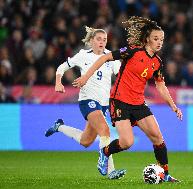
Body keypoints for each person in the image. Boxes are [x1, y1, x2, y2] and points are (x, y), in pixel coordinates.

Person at [72, 16, 183, 182]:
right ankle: (105, 152)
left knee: (158, 138)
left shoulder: (157, 62)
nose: (159, 42)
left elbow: (160, 86)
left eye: (161, 39)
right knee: (127, 142)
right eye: (155, 38)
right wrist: (86, 77)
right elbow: (103, 58)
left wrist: (173, 106)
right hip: (120, 101)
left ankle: (165, 175)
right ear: (147, 39)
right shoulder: (132, 51)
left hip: (139, 103)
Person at [44, 26, 126, 179]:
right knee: (105, 130)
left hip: (103, 104)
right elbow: (62, 67)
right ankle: (110, 170)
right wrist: (58, 82)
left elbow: (121, 74)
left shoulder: (110, 56)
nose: (102, 42)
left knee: (86, 141)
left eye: (105, 39)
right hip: (88, 101)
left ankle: (59, 127)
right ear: (91, 41)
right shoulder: (83, 55)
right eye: (99, 39)